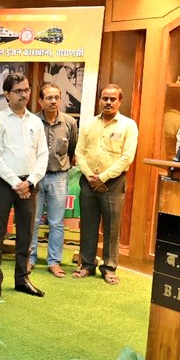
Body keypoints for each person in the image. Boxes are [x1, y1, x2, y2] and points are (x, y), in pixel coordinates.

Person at [0, 73, 48, 299]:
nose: (24, 94)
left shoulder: (35, 121)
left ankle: (22, 279)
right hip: (4, 184)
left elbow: (43, 155)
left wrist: (29, 182)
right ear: (7, 94)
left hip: (29, 184)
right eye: (18, 91)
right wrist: (16, 183)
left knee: (26, 233)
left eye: (26, 90)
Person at [72, 83, 138, 286]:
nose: (108, 102)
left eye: (112, 99)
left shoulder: (128, 125)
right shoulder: (88, 124)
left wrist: (104, 177)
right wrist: (91, 176)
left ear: (120, 101)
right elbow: (79, 152)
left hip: (114, 183)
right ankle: (87, 265)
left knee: (111, 228)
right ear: (99, 100)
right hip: (88, 181)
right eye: (105, 98)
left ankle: (109, 268)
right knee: (88, 225)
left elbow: (127, 157)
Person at [31, 82, 79, 277]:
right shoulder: (32, 121)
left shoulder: (69, 122)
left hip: (59, 177)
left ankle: (54, 262)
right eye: (48, 98)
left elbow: (72, 148)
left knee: (56, 222)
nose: (53, 101)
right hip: (35, 178)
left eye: (56, 97)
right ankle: (30, 259)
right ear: (40, 101)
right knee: (33, 221)